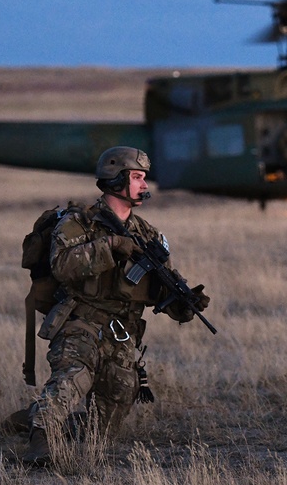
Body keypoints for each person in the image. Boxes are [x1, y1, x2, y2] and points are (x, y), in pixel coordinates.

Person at [20, 146, 210, 466]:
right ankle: (41, 437)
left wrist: (184, 304)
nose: (144, 185)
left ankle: (33, 418)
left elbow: (161, 284)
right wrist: (111, 245)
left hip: (121, 334)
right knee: (75, 375)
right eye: (136, 177)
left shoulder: (146, 233)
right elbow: (62, 265)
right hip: (81, 321)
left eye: (144, 178)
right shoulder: (79, 222)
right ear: (115, 178)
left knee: (105, 428)